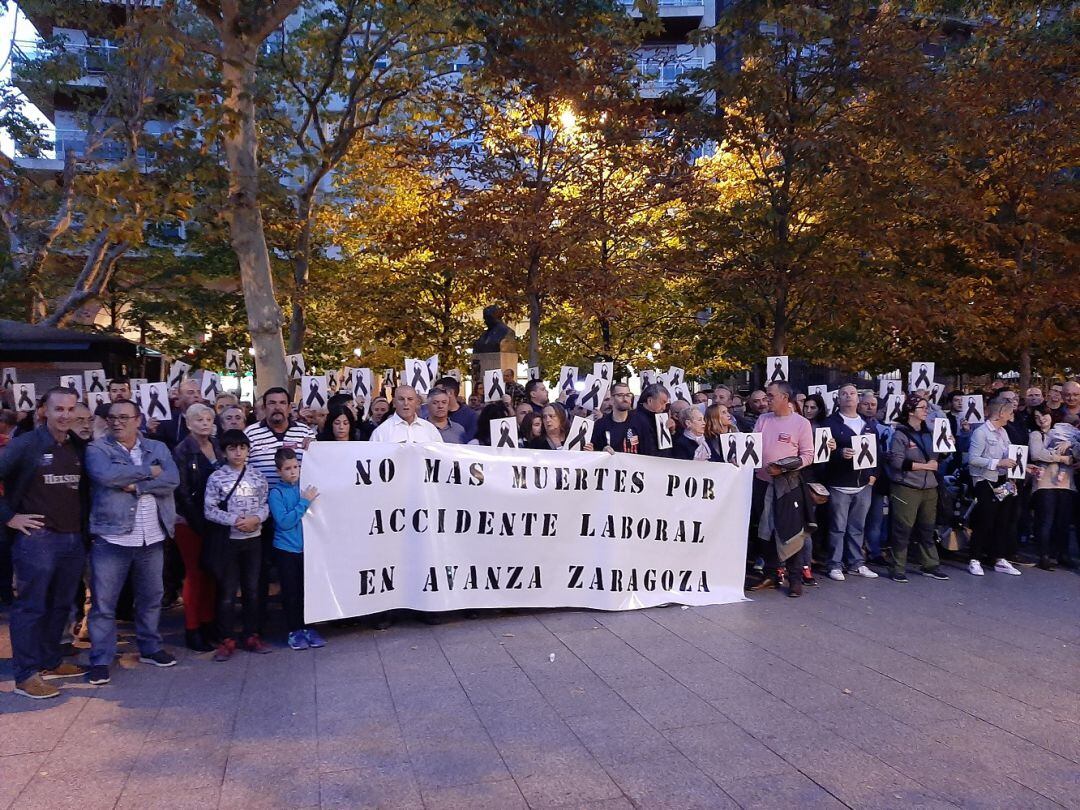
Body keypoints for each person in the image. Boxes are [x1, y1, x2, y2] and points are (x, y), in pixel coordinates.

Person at [85, 399, 180, 686]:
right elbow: (106, 476)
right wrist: (150, 472)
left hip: (152, 536)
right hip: (113, 537)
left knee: (151, 597)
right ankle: (101, 659)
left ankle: (150, 647)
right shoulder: (97, 449)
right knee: (104, 603)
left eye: (125, 417)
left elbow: (172, 479)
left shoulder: (158, 448)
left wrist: (137, 485)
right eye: (113, 417)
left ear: (138, 420)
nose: (117, 422)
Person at [1, 388, 88, 699]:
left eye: (70, 409)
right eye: (58, 409)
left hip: (72, 538)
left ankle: (50, 661)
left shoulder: (77, 446)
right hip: (37, 540)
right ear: (44, 411)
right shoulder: (25, 445)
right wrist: (9, 517)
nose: (65, 415)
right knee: (31, 607)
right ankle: (26, 676)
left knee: (60, 606)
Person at [204, 429, 271, 660]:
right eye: (232, 448)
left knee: (252, 590)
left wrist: (257, 519)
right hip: (229, 542)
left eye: (242, 448)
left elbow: (265, 505)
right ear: (224, 452)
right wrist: (234, 521)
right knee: (228, 593)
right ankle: (227, 638)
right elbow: (209, 509)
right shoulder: (216, 478)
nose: (238, 452)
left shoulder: (258, 476)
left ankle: (252, 634)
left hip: (253, 541)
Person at [750, 382, 815, 597]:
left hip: (788, 484)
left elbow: (807, 455)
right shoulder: (763, 420)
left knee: (790, 531)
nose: (767, 400)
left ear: (785, 397)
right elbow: (753, 447)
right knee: (765, 530)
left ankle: (795, 577)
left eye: (771, 396)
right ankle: (770, 573)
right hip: (763, 482)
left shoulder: (801, 423)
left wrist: (783, 467)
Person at [172, 402, 222, 651]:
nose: (204, 423)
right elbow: (181, 492)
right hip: (190, 522)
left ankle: (208, 623)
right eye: (199, 419)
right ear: (189, 423)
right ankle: (192, 629)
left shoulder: (218, 446)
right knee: (195, 574)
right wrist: (199, 523)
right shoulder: (182, 450)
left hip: (216, 520)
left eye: (208, 419)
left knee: (213, 572)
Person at [884, 395, 949, 582]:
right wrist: (925, 467)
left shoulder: (930, 432)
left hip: (929, 487)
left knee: (927, 528)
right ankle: (898, 567)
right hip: (907, 486)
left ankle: (930, 564)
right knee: (903, 528)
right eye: (922, 407)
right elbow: (896, 462)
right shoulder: (900, 434)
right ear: (911, 411)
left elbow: (938, 458)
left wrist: (945, 447)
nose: (926, 410)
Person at [821, 384, 881, 581]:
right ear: (838, 399)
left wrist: (873, 475)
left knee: (858, 527)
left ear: (858, 399)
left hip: (863, 485)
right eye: (844, 394)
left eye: (852, 394)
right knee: (837, 527)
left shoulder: (869, 424)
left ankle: (856, 562)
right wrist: (839, 453)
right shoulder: (829, 423)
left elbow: (878, 453)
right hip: (839, 483)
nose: (848, 397)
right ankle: (834, 564)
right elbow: (821, 453)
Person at [268, 448, 325, 650]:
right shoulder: (275, 493)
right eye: (287, 468)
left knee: (307, 591)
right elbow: (284, 522)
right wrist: (304, 502)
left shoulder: (304, 486)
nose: (293, 472)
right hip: (286, 550)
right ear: (278, 471)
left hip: (307, 549)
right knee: (291, 592)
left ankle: (309, 627)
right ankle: (294, 631)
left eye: (295, 467)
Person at [967, 397, 1022, 577]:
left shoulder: (1003, 433)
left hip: (1001, 481)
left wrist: (1024, 467)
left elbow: (1009, 454)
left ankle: (999, 557)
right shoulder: (981, 433)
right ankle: (974, 559)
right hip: (985, 481)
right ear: (1000, 413)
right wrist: (998, 462)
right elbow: (973, 459)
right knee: (985, 520)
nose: (1011, 415)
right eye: (1010, 412)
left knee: (1003, 519)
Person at [1028, 405, 1076, 569]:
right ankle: (1044, 555)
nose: (1041, 419)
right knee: (1046, 520)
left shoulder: (1066, 432)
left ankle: (1063, 554)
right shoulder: (1036, 434)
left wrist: (1070, 443)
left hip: (1066, 483)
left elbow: (1076, 453)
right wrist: (1062, 459)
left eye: (1044, 415)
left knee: (1063, 521)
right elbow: (1037, 454)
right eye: (1037, 417)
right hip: (1045, 482)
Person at [858, 391, 891, 564]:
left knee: (876, 518)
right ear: (859, 404)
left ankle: (875, 551)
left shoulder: (885, 427)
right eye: (866, 404)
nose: (870, 408)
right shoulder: (856, 424)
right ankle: (858, 551)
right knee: (859, 518)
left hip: (878, 478)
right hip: (860, 477)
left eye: (873, 405)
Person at [371, 386, 443, 444]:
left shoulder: (430, 429)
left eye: (410, 399)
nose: (406, 403)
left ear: (417, 402)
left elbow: (440, 456)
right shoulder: (381, 432)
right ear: (394, 402)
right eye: (401, 399)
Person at [151, 378, 204, 449]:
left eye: (199, 392)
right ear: (179, 396)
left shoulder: (212, 419)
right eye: (191, 392)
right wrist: (152, 433)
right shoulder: (167, 421)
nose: (196, 395)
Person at [627, 383, 674, 458]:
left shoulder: (661, 418)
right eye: (662, 402)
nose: (664, 407)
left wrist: (671, 431)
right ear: (650, 400)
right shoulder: (632, 419)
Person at [591, 382, 636, 453]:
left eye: (628, 395)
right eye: (620, 395)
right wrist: (603, 451)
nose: (625, 399)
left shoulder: (640, 422)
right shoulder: (601, 424)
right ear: (612, 399)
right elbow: (594, 450)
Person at [434, 376, 477, 441]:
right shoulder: (429, 414)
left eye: (438, 392)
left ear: (450, 393)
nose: (434, 395)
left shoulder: (470, 416)